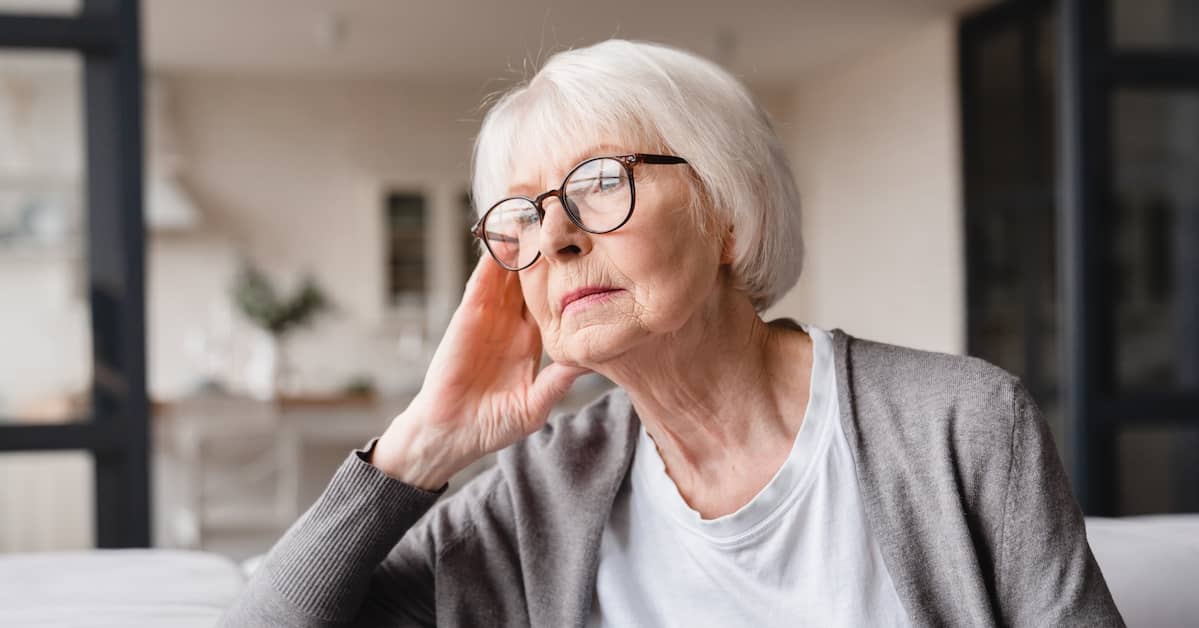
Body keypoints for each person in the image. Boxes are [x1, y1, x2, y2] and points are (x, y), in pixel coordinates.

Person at [220, 39, 1123, 627]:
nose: (558, 234)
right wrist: (419, 446)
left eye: (601, 181)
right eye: (524, 215)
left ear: (725, 214)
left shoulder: (957, 423)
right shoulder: (538, 492)